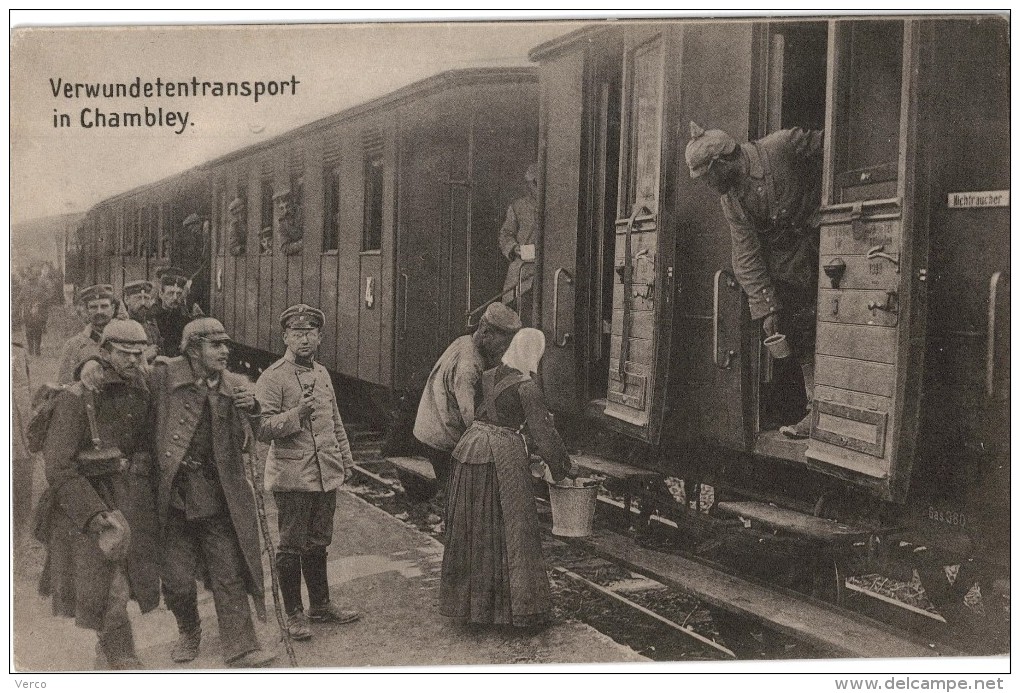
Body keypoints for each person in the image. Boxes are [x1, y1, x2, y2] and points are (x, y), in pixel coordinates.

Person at [81, 317, 274, 668]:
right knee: (176, 579)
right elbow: (123, 372)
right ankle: (189, 631)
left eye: (225, 344)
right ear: (194, 348)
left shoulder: (235, 385)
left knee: (228, 570)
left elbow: (251, 440)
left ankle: (242, 646)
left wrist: (254, 409)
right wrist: (90, 363)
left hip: (218, 497)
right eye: (216, 345)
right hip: (171, 497)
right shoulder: (163, 375)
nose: (225, 351)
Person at [686, 122, 824, 438]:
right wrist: (766, 308)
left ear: (722, 162)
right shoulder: (731, 199)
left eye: (706, 176)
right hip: (792, 266)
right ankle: (816, 413)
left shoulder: (783, 146)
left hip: (829, 243)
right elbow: (746, 253)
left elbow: (838, 146)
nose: (707, 185)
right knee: (803, 333)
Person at [37, 320, 161, 669]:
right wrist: (94, 516)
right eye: (124, 353)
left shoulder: (140, 389)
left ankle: (112, 654)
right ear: (104, 353)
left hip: (126, 498)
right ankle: (121, 657)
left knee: (119, 583)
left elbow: (143, 442)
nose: (133, 360)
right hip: (82, 505)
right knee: (107, 586)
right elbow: (58, 467)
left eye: (139, 353)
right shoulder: (76, 398)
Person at [440, 328, 576, 628]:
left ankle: (474, 609)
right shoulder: (526, 387)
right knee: (514, 528)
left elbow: (491, 413)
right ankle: (517, 612)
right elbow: (543, 432)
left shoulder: (489, 375)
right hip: (501, 455)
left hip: (471, 449)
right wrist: (564, 468)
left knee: (476, 529)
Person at [254, 304, 360, 642]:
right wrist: (297, 414)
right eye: (298, 333)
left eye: (311, 333)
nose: (305, 339)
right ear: (285, 336)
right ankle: (294, 614)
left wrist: (345, 459)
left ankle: (321, 606)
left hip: (325, 472)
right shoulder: (273, 377)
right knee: (291, 546)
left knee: (318, 542)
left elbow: (336, 422)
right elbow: (262, 429)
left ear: (319, 337)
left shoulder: (323, 374)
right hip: (292, 476)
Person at [413, 303, 522, 500]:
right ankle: (454, 527)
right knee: (459, 496)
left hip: (431, 425)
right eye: (503, 343)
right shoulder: (469, 366)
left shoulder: (465, 341)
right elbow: (471, 421)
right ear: (486, 332)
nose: (504, 349)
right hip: (442, 437)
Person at [498, 163, 540, 321]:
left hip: (547, 272)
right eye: (533, 184)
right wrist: (515, 249)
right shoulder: (517, 207)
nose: (535, 187)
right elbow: (505, 235)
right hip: (522, 272)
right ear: (530, 184)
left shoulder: (557, 206)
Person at [56, 284, 117, 384]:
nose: (99, 311)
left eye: (104, 306)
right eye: (93, 307)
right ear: (86, 310)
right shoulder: (73, 346)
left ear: (113, 309)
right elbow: (64, 386)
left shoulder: (125, 340)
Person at [152, 267, 198, 358]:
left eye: (179, 294)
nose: (175, 298)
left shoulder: (185, 315)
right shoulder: (152, 315)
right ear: (161, 294)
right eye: (170, 293)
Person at [122, 280, 161, 363]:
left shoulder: (152, 326)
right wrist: (144, 357)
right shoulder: (120, 326)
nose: (143, 303)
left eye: (146, 298)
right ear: (126, 299)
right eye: (138, 298)